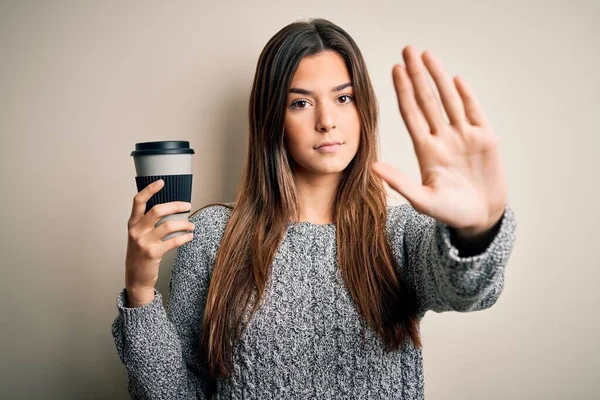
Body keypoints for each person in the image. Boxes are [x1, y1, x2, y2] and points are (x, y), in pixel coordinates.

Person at [112, 17, 516, 399]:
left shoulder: (401, 234)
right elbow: (171, 393)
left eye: (343, 98)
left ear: (363, 110)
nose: (327, 121)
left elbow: (468, 291)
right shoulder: (214, 236)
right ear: (272, 119)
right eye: (300, 104)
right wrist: (140, 288)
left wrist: (476, 230)